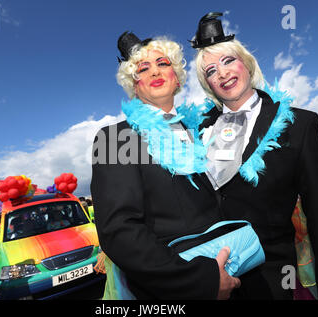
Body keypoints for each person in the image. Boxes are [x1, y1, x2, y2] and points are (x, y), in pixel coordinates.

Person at [191, 12, 318, 299]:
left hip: (273, 281)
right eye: (211, 71)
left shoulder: (298, 124)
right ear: (207, 84)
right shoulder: (197, 131)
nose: (222, 74)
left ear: (247, 64)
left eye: (228, 61)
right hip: (210, 282)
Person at [91, 32, 240, 299]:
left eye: (163, 63)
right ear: (134, 85)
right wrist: (199, 281)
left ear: (177, 77)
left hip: (232, 272)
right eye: (143, 69)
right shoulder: (115, 139)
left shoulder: (199, 131)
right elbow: (120, 232)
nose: (154, 72)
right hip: (177, 291)